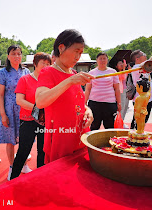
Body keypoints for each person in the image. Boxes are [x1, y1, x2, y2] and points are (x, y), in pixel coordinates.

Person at [35, 29, 94, 163]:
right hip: (61, 136)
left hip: (79, 134)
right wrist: (69, 81)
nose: (78, 57)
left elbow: (76, 101)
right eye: (76, 51)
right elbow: (40, 101)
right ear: (61, 48)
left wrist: (88, 110)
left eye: (81, 53)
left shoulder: (73, 73)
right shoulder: (48, 72)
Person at [10, 52, 51, 180]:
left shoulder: (50, 81)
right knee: (23, 151)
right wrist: (37, 110)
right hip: (28, 121)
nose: (45, 65)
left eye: (48, 63)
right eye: (43, 63)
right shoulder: (25, 79)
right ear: (35, 64)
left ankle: (40, 179)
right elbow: (19, 100)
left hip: (45, 122)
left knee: (43, 151)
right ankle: (13, 179)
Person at [0, 45, 31, 180]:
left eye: (19, 53)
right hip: (10, 109)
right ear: (8, 56)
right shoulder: (3, 72)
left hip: (24, 109)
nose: (17, 56)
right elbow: (0, 95)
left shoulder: (26, 71)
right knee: (10, 141)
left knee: (25, 139)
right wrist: (3, 114)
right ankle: (12, 167)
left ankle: (23, 163)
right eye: (14, 53)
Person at [85, 52, 121, 130]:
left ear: (107, 60)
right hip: (95, 103)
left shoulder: (113, 72)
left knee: (109, 126)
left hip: (109, 103)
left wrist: (119, 103)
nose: (102, 60)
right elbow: (88, 89)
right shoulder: (92, 73)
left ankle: (109, 142)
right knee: (94, 125)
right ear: (97, 60)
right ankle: (93, 142)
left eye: (104, 58)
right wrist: (84, 102)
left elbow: (117, 89)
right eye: (100, 58)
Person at [129, 45, 152, 129]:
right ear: (137, 59)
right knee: (138, 120)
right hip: (140, 99)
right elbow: (150, 63)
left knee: (143, 120)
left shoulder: (146, 66)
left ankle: (137, 136)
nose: (145, 55)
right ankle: (134, 136)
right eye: (143, 54)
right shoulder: (136, 67)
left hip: (148, 98)